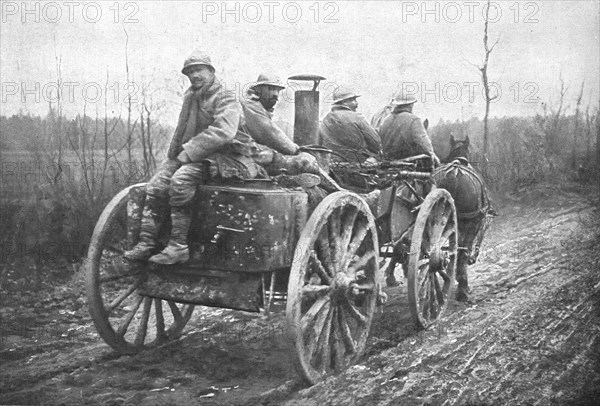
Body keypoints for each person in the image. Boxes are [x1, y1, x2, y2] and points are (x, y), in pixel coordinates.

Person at [124, 50, 249, 265]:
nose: (194, 76)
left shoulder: (226, 97)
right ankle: (146, 243)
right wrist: (172, 158)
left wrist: (188, 153)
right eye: (190, 72)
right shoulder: (191, 96)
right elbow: (182, 129)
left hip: (227, 158)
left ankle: (178, 247)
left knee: (180, 181)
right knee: (155, 186)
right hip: (196, 156)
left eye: (199, 70)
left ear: (210, 71)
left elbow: (224, 132)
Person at [319, 88, 381, 164]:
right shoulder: (357, 117)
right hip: (358, 165)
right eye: (353, 100)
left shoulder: (325, 120)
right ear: (344, 102)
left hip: (333, 165)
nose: (357, 104)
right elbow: (376, 143)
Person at [378, 91, 440, 166]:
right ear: (410, 105)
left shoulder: (386, 120)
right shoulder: (414, 119)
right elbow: (423, 143)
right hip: (409, 165)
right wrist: (433, 155)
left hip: (388, 164)